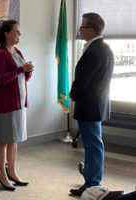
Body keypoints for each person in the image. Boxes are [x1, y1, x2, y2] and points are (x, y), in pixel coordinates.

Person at [69, 13, 114, 196]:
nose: (79, 30)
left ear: (92, 30)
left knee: (93, 146)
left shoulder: (94, 51)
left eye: (82, 26)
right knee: (93, 145)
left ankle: (92, 186)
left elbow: (82, 81)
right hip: (97, 104)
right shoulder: (104, 48)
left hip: (89, 105)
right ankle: (90, 177)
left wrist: (72, 94)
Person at [0, 20, 34, 191]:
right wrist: (20, 69)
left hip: (19, 103)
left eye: (19, 32)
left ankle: (12, 172)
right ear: (6, 33)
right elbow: (2, 80)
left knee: (14, 139)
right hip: (5, 103)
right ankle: (2, 175)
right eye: (16, 32)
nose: (19, 35)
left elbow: (23, 78)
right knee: (4, 139)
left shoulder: (17, 51)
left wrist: (28, 71)